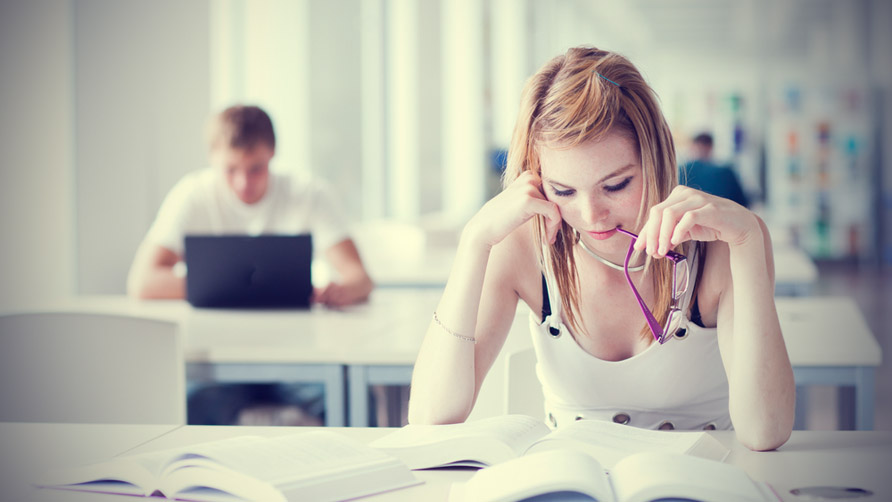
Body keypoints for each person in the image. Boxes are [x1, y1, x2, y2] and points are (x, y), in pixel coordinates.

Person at [407, 47, 794, 451]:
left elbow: (764, 431)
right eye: (564, 190)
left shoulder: (724, 246)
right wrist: (474, 242)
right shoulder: (520, 247)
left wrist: (749, 239)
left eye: (616, 185)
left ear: (655, 159)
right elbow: (431, 417)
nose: (592, 216)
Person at [127, 104, 374, 425]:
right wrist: (220, 284)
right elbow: (141, 283)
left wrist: (343, 290)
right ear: (212, 157)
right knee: (190, 408)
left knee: (348, 406)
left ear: (272, 153)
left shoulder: (308, 193)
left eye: (256, 168)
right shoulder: (192, 195)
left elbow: (360, 278)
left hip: (299, 356)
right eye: (230, 169)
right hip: (220, 359)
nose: (244, 182)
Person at [679, 132, 750, 208]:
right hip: (722, 218)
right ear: (711, 147)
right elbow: (742, 204)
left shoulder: (680, 171)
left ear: (692, 147)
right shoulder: (726, 173)